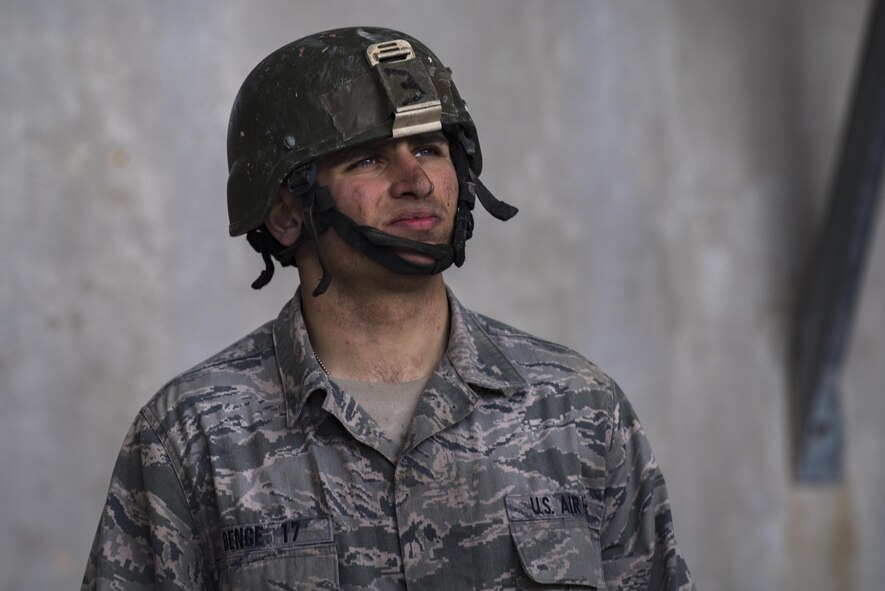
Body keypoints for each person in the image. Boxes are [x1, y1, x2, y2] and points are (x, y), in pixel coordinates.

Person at [82, 26, 695, 590]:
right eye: (369, 158)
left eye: (429, 148)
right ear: (286, 212)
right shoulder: (191, 438)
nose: (417, 181)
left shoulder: (579, 407)